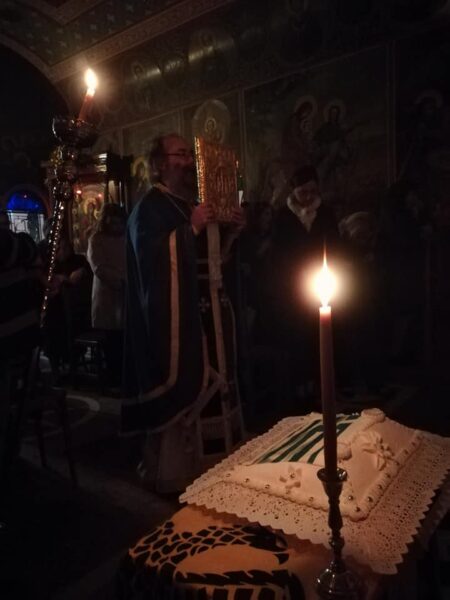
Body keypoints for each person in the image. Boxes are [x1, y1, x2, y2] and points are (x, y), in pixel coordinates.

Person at [123, 133, 245, 492]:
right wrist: (190, 228)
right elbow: (152, 264)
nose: (190, 162)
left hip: (209, 307)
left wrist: (231, 232)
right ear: (161, 164)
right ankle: (181, 469)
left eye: (191, 155)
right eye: (181, 155)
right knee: (188, 375)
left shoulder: (191, 202)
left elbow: (212, 259)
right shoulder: (149, 207)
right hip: (178, 313)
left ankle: (219, 457)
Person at [269, 165, 340, 411]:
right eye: (303, 192)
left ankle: (322, 387)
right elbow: (278, 253)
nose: (308, 197)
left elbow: (334, 244)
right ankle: (300, 388)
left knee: (320, 336)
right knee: (297, 336)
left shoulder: (325, 213)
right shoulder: (283, 216)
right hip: (293, 288)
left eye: (312, 191)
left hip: (321, 281)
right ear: (294, 191)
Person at [87, 203, 127, 389]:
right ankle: (114, 379)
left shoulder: (126, 238)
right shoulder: (96, 240)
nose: (117, 227)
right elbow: (99, 267)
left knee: (125, 340)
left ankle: (124, 377)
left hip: (126, 295)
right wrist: (121, 280)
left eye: (120, 223)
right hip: (107, 297)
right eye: (114, 223)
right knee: (112, 343)